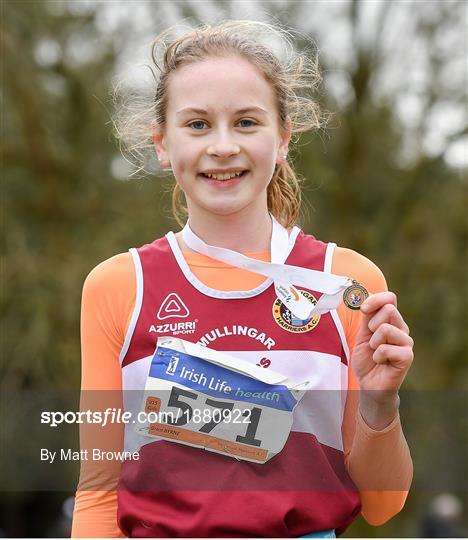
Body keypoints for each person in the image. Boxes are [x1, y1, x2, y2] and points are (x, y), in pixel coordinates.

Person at [71, 20, 414, 538]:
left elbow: (383, 505)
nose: (224, 146)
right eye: (198, 124)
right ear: (162, 144)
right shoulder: (119, 287)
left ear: (282, 139)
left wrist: (378, 404)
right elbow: (99, 492)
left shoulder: (341, 282)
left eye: (248, 122)